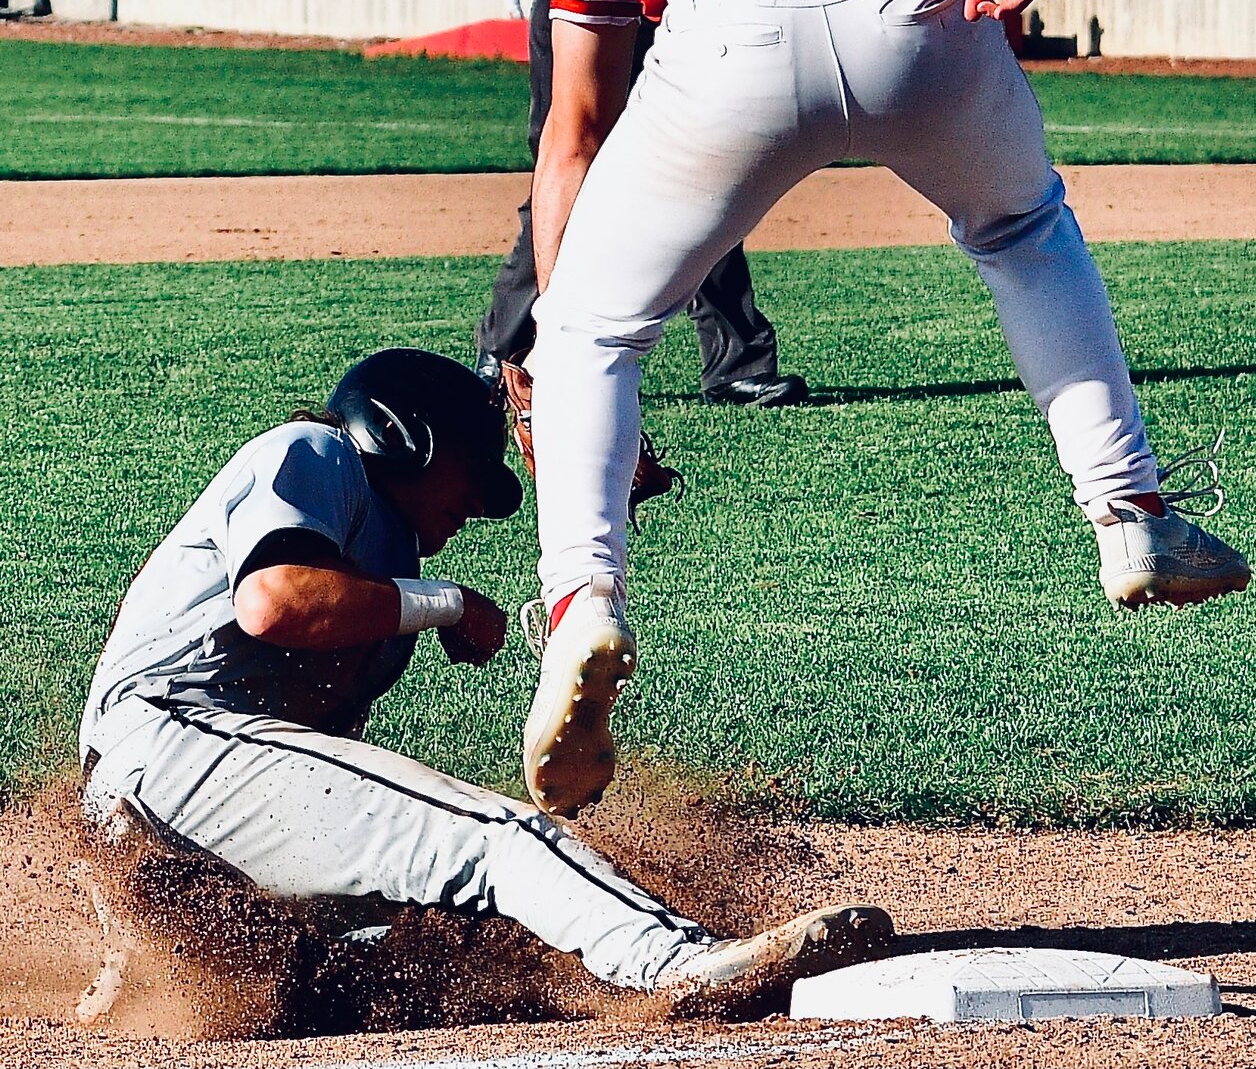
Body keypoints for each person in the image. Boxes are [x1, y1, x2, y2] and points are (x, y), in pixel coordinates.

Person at [516, 0, 1253, 821]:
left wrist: (557, 355)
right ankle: (1132, 513)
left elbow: (573, 131)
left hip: (724, 31)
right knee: (1022, 231)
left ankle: (584, 606)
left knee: (595, 332)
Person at [76, 348, 891, 1016]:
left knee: (411, 943)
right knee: (495, 836)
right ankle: (678, 962)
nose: (474, 503)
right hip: (170, 736)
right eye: (471, 471)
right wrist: (447, 603)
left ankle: (146, 965)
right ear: (404, 437)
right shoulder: (313, 454)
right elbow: (274, 601)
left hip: (157, 814)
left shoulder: (373, 563)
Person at [474, 0, 808, 408]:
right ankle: (506, 356)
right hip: (583, 3)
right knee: (568, 168)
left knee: (704, 167)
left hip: (675, 2)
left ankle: (738, 363)